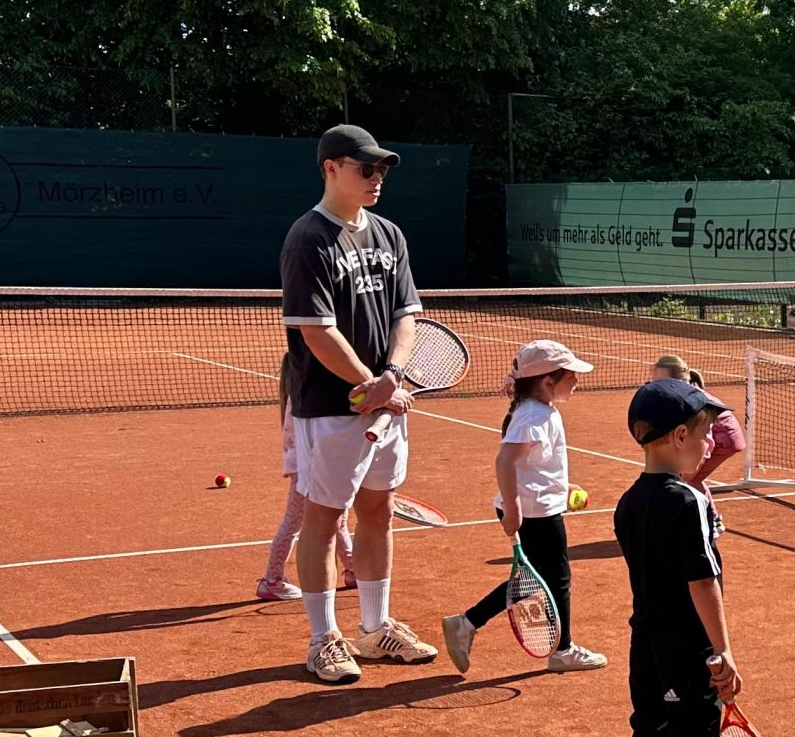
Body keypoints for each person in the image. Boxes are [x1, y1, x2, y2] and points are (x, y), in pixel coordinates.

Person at [279, 123, 439, 683]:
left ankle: (375, 629)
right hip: (328, 407)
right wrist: (369, 382)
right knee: (323, 521)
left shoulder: (390, 235)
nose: (376, 178)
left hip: (386, 403)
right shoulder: (308, 239)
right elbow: (316, 332)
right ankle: (324, 639)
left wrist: (391, 378)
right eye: (364, 168)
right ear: (330, 169)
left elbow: (406, 315)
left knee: (377, 512)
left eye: (382, 170)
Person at [613, 375, 750, 737]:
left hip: (644, 645)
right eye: (702, 434)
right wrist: (723, 651)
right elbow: (701, 582)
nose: (710, 443)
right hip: (687, 652)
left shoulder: (627, 502)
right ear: (675, 437)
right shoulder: (687, 501)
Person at [441, 339, 610, 675]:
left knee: (537, 581)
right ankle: (562, 650)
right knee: (556, 580)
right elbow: (505, 461)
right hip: (534, 513)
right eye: (571, 375)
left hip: (539, 506)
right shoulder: (534, 415)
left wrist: (563, 488)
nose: (577, 380)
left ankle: (467, 622)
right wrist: (514, 508)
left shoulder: (537, 410)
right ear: (548, 381)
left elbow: (532, 463)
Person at [255, 363, 354, 602]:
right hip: (308, 466)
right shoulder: (307, 399)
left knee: (337, 519)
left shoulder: (303, 393)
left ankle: (353, 570)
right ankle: (272, 580)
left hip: (316, 463)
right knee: (294, 520)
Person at [651, 352, 745, 489]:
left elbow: (707, 440)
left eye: (660, 380)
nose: (655, 385)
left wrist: (692, 469)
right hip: (717, 436)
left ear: (676, 380)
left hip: (725, 440)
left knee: (689, 481)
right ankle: (708, 511)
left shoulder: (692, 402)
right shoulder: (678, 396)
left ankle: (706, 511)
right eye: (654, 380)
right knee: (690, 480)